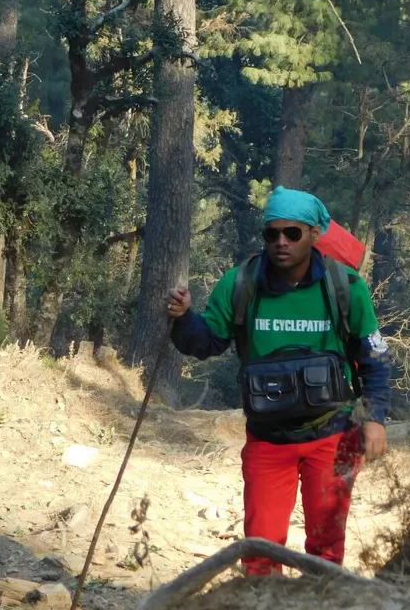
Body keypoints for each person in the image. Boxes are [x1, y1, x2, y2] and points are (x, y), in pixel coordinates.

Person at [165, 186, 390, 575]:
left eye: (292, 233)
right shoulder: (240, 284)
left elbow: (373, 358)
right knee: (261, 551)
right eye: (272, 234)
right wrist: (184, 317)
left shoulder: (346, 287)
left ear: (314, 234)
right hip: (268, 440)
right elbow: (205, 342)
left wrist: (375, 418)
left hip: (332, 436)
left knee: (326, 548)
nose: (281, 242)